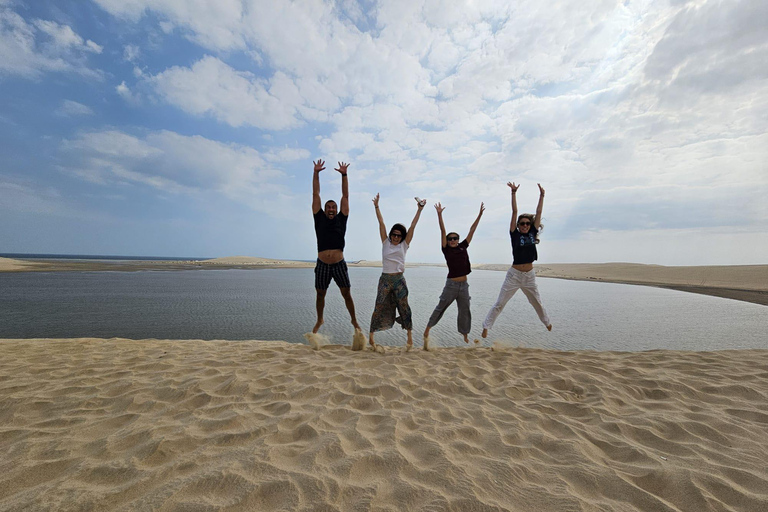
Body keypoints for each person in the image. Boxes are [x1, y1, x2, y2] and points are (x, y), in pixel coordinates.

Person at [482, 182, 552, 338]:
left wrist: (542, 196)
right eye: (523, 224)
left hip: (529, 276)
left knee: (537, 303)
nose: (526, 225)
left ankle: (546, 322)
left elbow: (539, 211)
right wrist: (513, 193)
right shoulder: (514, 233)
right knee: (500, 303)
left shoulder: (533, 232)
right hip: (514, 275)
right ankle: (486, 326)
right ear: (518, 225)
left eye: (528, 223)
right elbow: (514, 211)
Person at [369, 194, 427, 351]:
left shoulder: (404, 245)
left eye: (398, 235)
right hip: (385, 279)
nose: (395, 237)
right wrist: (376, 206)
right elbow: (381, 222)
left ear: (402, 236)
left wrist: (419, 210)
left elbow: (413, 226)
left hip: (399, 280)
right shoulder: (385, 242)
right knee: (379, 305)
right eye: (393, 234)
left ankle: (409, 338)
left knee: (404, 307)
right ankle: (371, 337)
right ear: (390, 235)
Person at [311, 159, 361, 339]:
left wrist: (344, 175)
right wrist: (316, 173)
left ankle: (354, 320)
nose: (331, 209)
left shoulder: (342, 218)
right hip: (323, 264)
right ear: (324, 210)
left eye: (333, 207)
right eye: (328, 207)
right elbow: (316, 193)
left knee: (346, 293)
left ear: (337, 209)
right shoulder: (319, 218)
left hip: (339, 263)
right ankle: (320, 320)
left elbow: (345, 197)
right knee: (320, 294)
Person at [423, 202, 485, 346]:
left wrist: (480, 215)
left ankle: (464, 334)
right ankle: (427, 329)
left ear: (458, 240)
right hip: (451, 285)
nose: (452, 240)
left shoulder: (463, 246)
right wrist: (439, 215)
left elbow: (472, 229)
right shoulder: (446, 249)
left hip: (464, 285)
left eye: (455, 238)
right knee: (441, 306)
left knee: (465, 310)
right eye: (450, 239)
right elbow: (442, 231)